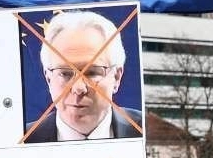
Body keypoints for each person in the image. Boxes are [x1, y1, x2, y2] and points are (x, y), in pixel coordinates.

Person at [23, 8, 144, 142]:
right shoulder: (19, 140)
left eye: (91, 73)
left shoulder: (148, 130)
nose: (78, 88)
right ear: (48, 79)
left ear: (116, 77)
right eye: (65, 73)